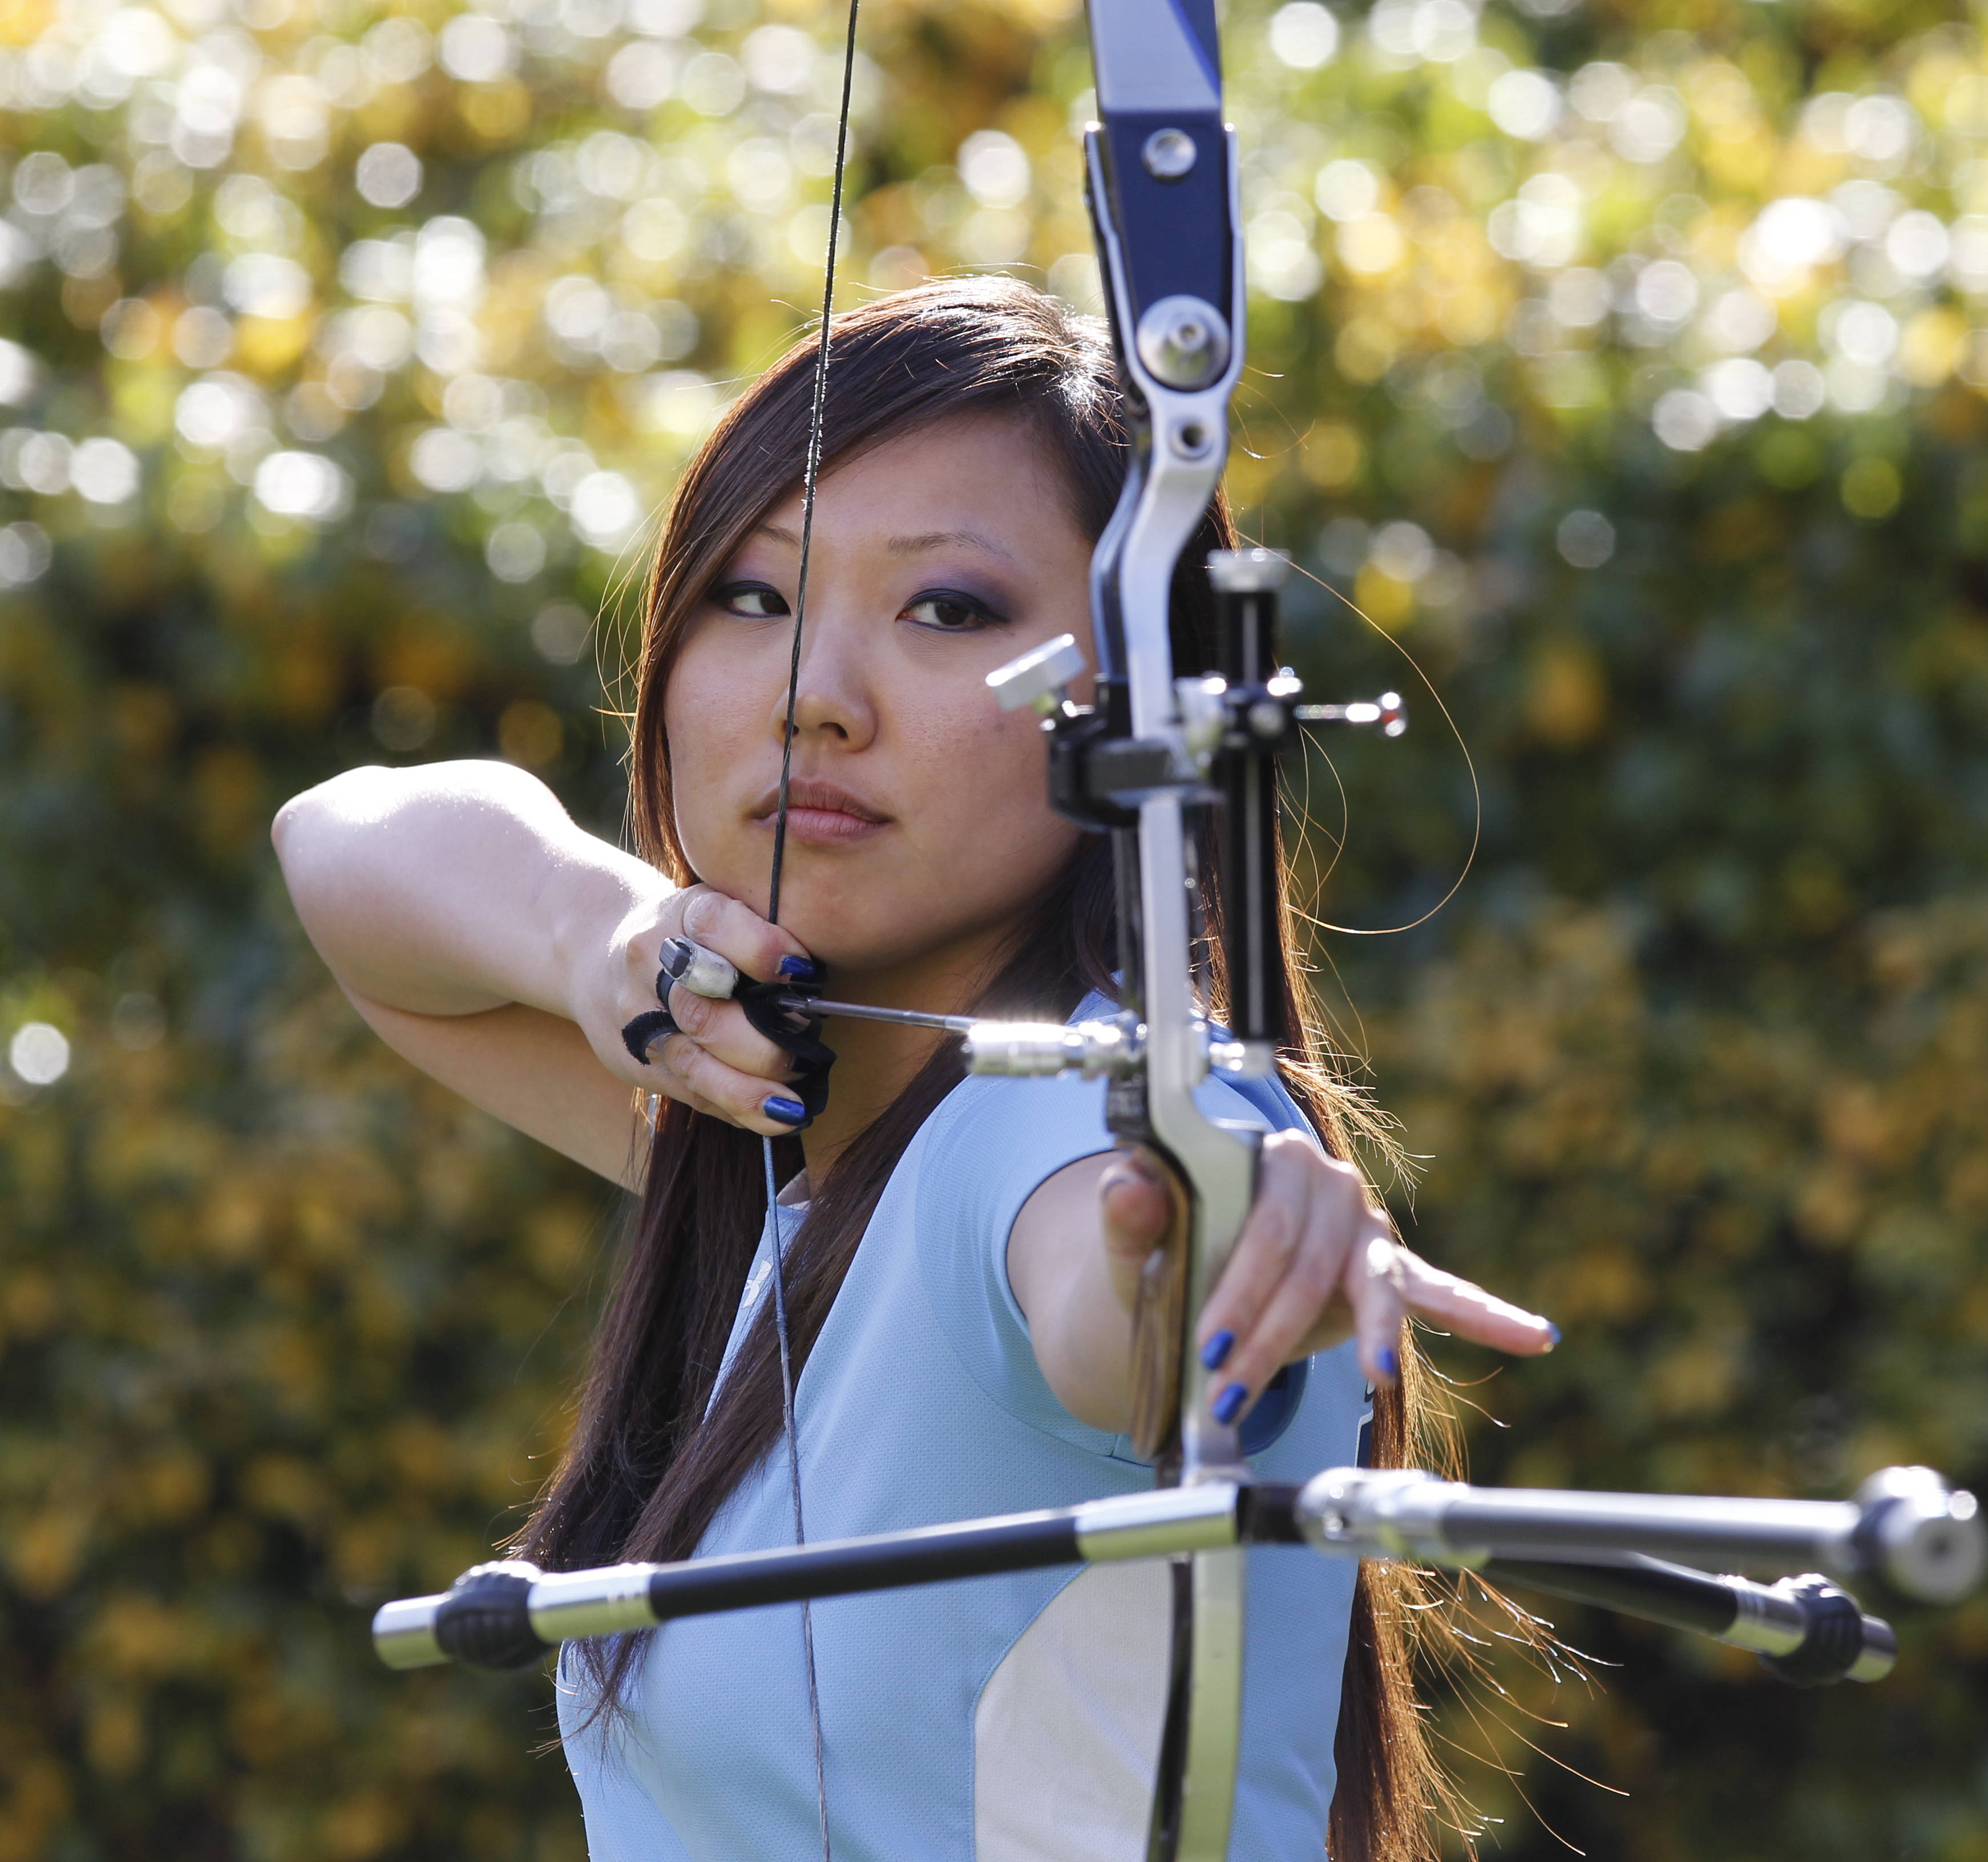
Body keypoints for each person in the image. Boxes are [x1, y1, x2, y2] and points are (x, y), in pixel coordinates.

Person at [273, 276, 1558, 1862]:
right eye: (751, 598)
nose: (816, 697)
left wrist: (1209, 1240)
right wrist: (607, 945)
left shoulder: (1070, 1121)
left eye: (949, 610)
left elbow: (1124, 1276)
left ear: (1136, 713)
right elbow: (341, 854)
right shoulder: (782, 1123)